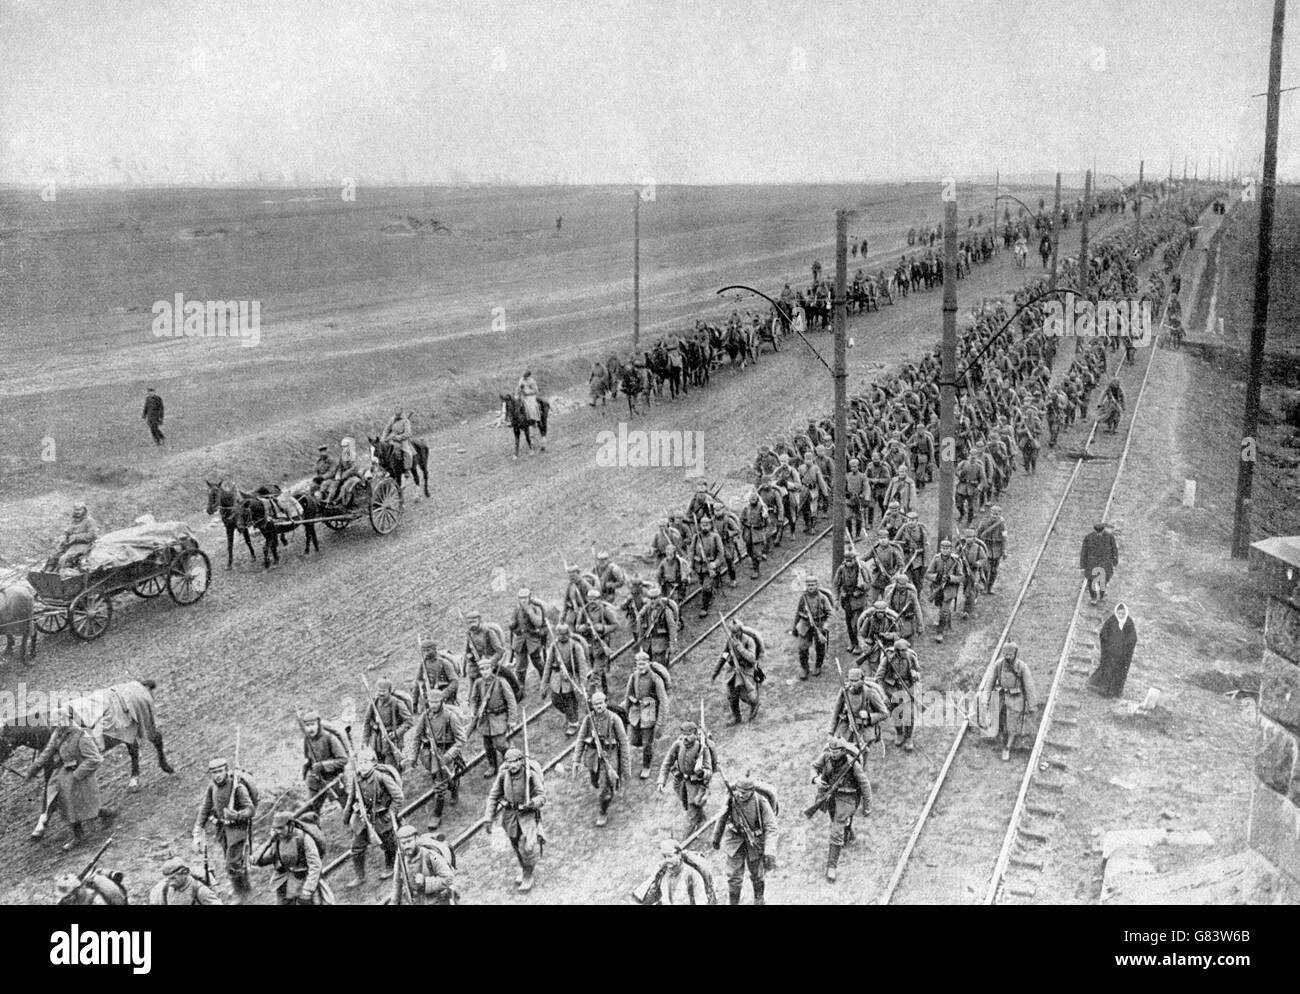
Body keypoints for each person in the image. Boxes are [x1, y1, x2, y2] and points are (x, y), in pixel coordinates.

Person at [26, 721, 116, 851]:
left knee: (84, 804)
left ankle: (105, 813)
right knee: (66, 803)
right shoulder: (57, 734)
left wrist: (77, 774)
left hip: (81, 774)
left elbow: (94, 759)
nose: (55, 727)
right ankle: (78, 835)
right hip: (65, 772)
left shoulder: (81, 735)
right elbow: (48, 751)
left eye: (57, 723)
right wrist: (35, 767)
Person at [809, 737, 872, 881]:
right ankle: (849, 832)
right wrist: (816, 779)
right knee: (835, 820)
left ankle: (831, 867)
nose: (833, 754)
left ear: (843, 751)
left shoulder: (853, 764)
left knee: (836, 829)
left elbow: (865, 785)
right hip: (830, 796)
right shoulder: (826, 757)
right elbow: (814, 767)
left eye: (836, 751)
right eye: (831, 750)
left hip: (848, 797)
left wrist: (867, 806)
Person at [484, 747, 546, 893]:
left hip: (528, 816)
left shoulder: (529, 775)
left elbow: (542, 796)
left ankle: (528, 875)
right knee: (516, 846)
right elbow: (493, 795)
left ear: (521, 761)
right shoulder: (503, 775)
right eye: (509, 762)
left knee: (527, 847)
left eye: (516, 762)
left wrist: (532, 803)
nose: (513, 766)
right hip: (510, 817)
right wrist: (488, 818)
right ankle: (525, 869)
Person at [342, 746, 404, 888]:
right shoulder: (356, 778)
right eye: (360, 763)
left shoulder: (381, 777)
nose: (362, 766)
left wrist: (390, 814)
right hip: (363, 819)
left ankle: (390, 867)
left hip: (381, 818)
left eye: (366, 762)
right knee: (356, 847)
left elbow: (398, 796)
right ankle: (360, 876)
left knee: (388, 844)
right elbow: (351, 798)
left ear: (373, 763)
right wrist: (346, 815)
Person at [711, 775, 778, 905]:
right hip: (734, 840)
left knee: (757, 874)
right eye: (738, 792)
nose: (740, 795)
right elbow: (722, 818)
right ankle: (733, 902)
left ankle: (759, 899)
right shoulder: (731, 798)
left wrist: (769, 850)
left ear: (752, 791)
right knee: (734, 876)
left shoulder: (761, 802)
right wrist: (716, 838)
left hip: (754, 841)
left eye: (744, 793)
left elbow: (771, 827)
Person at [406, 687, 466, 830]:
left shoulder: (450, 716)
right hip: (429, 753)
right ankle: (454, 786)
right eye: (431, 702)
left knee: (439, 784)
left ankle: (437, 814)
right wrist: (413, 756)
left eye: (436, 702)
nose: (433, 705)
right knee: (438, 777)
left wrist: (449, 755)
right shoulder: (425, 717)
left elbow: (461, 739)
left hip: (446, 752)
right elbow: (417, 737)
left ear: (442, 701)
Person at [192, 756, 254, 894]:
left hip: (238, 828)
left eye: (220, 771)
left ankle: (241, 894)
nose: (218, 775)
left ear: (226, 770)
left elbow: (250, 810)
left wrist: (237, 815)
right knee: (232, 860)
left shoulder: (237, 786)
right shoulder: (212, 787)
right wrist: (197, 830)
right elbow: (205, 808)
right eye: (214, 772)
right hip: (222, 829)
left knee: (232, 863)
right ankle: (244, 889)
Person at [574, 691, 630, 827]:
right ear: (592, 705)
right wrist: (576, 760)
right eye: (596, 704)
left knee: (606, 787)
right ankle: (600, 786)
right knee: (595, 781)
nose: (599, 706)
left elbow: (623, 742)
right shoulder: (589, 719)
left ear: (605, 702)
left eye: (601, 703)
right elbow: (580, 739)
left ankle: (603, 811)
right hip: (593, 757)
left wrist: (625, 767)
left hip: (609, 756)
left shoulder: (614, 719)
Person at [977, 641, 1037, 761]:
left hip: (1016, 698)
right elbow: (990, 682)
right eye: (1005, 654)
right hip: (1001, 696)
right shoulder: (999, 665)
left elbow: (1029, 686)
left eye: (1010, 654)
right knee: (997, 719)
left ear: (1015, 654)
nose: (1008, 657)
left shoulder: (1022, 667)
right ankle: (999, 738)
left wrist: (1032, 705)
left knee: (1012, 725)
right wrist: (985, 699)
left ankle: (1007, 748)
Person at [256, 812, 328, 905]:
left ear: (291, 825)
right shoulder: (277, 840)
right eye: (276, 829)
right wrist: (269, 842)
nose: (278, 831)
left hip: (303, 880)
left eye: (281, 828)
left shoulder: (304, 838)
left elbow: (315, 865)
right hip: (284, 882)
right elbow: (261, 860)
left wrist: (308, 889)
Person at [468, 655, 521, 778]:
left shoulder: (500, 682)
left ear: (492, 669)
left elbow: (511, 701)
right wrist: (473, 710)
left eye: (487, 669)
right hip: (485, 719)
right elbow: (473, 699)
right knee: (487, 745)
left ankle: (511, 761)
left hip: (499, 717)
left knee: (500, 744)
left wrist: (512, 719)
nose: (485, 672)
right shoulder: (478, 683)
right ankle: (493, 766)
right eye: (482, 670)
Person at [657, 720, 714, 833]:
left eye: (688, 735)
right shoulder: (678, 744)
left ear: (695, 733)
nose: (685, 738)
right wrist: (661, 781)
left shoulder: (702, 748)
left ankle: (686, 840)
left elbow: (709, 770)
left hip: (696, 784)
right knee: (686, 805)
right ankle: (701, 819)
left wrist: (702, 772)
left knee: (691, 813)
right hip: (681, 782)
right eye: (683, 734)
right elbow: (667, 762)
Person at [624, 651, 669, 778]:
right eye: (639, 664)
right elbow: (628, 696)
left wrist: (660, 724)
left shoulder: (656, 679)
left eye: (643, 664)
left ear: (648, 663)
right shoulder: (634, 676)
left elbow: (664, 702)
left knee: (646, 743)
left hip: (649, 712)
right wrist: (625, 714)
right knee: (634, 740)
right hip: (636, 711)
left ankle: (646, 766)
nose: (641, 667)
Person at [713, 616, 763, 724]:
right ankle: (737, 717)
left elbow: (752, 658)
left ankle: (754, 703)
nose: (733, 635)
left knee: (744, 695)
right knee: (731, 695)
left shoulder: (749, 641)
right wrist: (715, 672)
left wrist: (740, 647)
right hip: (734, 670)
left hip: (746, 669)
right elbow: (724, 655)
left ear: (740, 630)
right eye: (732, 632)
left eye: (735, 632)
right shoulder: (730, 640)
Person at [540, 622, 587, 736]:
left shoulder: (575, 646)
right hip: (557, 679)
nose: (563, 636)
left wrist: (582, 683)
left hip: (570, 677)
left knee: (569, 700)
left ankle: (573, 723)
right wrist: (544, 684)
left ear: (568, 633)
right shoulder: (554, 646)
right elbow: (548, 665)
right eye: (560, 634)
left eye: (565, 634)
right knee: (555, 700)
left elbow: (582, 665)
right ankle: (571, 714)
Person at [299, 709, 349, 814]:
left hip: (334, 778)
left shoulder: (330, 738)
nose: (310, 728)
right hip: (317, 779)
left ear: (318, 724)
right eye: (307, 726)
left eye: (313, 724)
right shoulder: (307, 740)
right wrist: (306, 768)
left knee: (348, 806)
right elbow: (308, 758)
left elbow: (343, 759)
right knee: (312, 809)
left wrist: (323, 765)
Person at [634, 839, 713, 905]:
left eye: (670, 856)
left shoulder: (692, 875)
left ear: (679, 855)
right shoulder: (662, 874)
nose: (667, 860)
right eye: (664, 856)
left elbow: (701, 901)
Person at [391, 824, 455, 904]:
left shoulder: (430, 856)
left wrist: (426, 882)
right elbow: (397, 883)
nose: (406, 846)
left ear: (416, 839)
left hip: (436, 900)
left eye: (409, 841)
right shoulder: (401, 858)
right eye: (403, 843)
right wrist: (394, 902)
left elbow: (449, 879)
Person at [875, 637, 920, 752]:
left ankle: (908, 738)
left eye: (906, 649)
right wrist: (884, 694)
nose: (906, 652)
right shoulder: (888, 659)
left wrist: (915, 674)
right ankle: (899, 734)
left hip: (907, 688)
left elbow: (917, 670)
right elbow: (879, 677)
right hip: (892, 690)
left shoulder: (911, 657)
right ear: (897, 651)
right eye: (903, 650)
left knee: (909, 715)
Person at [1087, 602, 1139, 698]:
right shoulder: (1112, 620)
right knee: (1107, 670)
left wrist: (1124, 647)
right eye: (1119, 613)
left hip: (1122, 656)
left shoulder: (1129, 623)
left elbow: (1133, 638)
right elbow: (1103, 633)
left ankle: (1114, 692)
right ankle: (1104, 690)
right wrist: (1109, 644)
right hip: (1110, 653)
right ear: (1116, 612)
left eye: (1123, 614)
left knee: (1118, 673)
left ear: (1125, 613)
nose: (1120, 615)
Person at [364, 678, 414, 769]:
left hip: (392, 741)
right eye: (379, 691)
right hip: (376, 741)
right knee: (377, 767)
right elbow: (367, 722)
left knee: (391, 768)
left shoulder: (397, 703)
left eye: (384, 691)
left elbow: (409, 721)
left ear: (389, 691)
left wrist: (396, 733)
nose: (381, 694)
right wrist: (365, 741)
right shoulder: (374, 703)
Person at [509, 587, 549, 700]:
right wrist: (512, 625)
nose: (523, 600)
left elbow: (538, 622)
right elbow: (512, 621)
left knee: (537, 661)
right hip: (521, 640)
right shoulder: (516, 609)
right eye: (521, 598)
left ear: (529, 597)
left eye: (525, 598)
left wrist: (530, 612)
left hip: (532, 639)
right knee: (520, 665)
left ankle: (544, 679)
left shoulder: (535, 608)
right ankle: (521, 687)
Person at [791, 576, 833, 680]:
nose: (811, 587)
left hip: (819, 623)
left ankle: (818, 666)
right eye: (809, 585)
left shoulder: (823, 598)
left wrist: (826, 624)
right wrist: (795, 627)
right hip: (805, 623)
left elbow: (830, 613)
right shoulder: (803, 598)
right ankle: (804, 668)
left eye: (813, 585)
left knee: (820, 647)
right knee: (802, 647)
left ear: (817, 585)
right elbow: (798, 613)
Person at [147, 857, 221, 905]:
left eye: (173, 878)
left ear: (185, 873)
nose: (171, 883)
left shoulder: (200, 891)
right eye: (168, 879)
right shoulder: (165, 890)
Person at [1079, 522, 1119, 604]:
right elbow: (1084, 552)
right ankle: (1093, 597)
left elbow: (1114, 550)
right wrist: (1083, 566)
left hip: (1105, 563)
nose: (1099, 533)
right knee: (1091, 581)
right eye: (1098, 532)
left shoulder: (1110, 537)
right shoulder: (1088, 538)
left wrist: (1115, 561)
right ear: (1095, 530)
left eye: (1100, 532)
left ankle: (1101, 595)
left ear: (1103, 530)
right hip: (1092, 564)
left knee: (1104, 580)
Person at [55, 503, 99, 570]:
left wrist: (76, 537)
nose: (77, 512)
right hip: (71, 546)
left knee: (64, 559)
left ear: (84, 510)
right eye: (76, 510)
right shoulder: (73, 522)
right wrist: (63, 539)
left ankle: (60, 575)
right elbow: (67, 533)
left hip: (84, 545)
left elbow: (92, 535)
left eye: (79, 510)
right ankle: (46, 574)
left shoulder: (90, 521)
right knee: (53, 558)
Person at [54, 869, 128, 905]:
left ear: (78, 891)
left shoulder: (97, 901)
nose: (65, 900)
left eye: (68, 897)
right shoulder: (72, 898)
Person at [379, 408, 415, 473]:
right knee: (382, 448)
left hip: (402, 440)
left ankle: (406, 469)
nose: (397, 415)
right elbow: (386, 429)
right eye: (396, 414)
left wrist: (398, 437)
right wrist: (383, 438)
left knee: (406, 451)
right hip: (391, 438)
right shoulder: (392, 420)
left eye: (398, 414)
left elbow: (407, 433)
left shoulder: (406, 421)